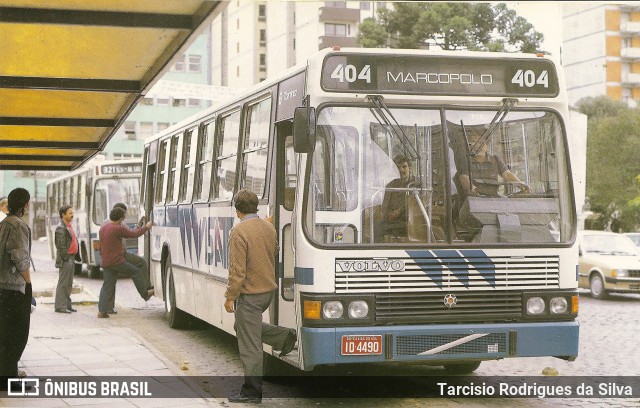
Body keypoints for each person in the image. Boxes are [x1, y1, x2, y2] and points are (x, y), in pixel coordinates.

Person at [224, 189, 297, 404]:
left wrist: (230, 296)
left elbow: (237, 271)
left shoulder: (239, 232)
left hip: (250, 294)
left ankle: (252, 391)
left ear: (237, 210)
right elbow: (273, 252)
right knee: (245, 328)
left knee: (250, 345)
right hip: (268, 292)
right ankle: (284, 337)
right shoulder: (268, 226)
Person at [0, 188, 32, 392]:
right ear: (24, 205)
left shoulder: (3, 223)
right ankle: (8, 380)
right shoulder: (18, 225)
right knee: (17, 335)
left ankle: (7, 377)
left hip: (2, 286)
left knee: (5, 334)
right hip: (14, 287)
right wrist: (28, 283)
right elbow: (20, 258)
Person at [97, 207, 153, 318]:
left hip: (106, 261)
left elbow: (100, 245)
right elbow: (133, 235)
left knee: (107, 285)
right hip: (117, 261)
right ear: (121, 218)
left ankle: (102, 311)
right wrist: (146, 227)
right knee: (135, 271)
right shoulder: (118, 228)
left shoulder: (103, 228)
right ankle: (145, 294)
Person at [458, 130, 530, 198]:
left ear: (487, 145)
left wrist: (521, 185)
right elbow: (464, 178)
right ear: (469, 146)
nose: (477, 146)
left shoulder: (495, 160)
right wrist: (472, 191)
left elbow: (507, 174)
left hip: (494, 200)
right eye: (473, 143)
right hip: (473, 201)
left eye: (480, 143)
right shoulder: (465, 161)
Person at [378, 154, 416, 241]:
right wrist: (389, 214)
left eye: (404, 167)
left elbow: (414, 204)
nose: (401, 170)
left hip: (407, 220)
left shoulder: (416, 184)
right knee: (377, 228)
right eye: (398, 167)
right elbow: (385, 205)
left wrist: (398, 212)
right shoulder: (391, 185)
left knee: (382, 229)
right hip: (391, 221)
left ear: (409, 168)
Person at [54, 205, 78, 313]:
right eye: (70, 213)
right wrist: (66, 258)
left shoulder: (68, 226)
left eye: (72, 213)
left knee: (69, 283)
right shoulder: (61, 228)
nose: (72, 215)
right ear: (63, 215)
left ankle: (67, 305)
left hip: (71, 258)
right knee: (63, 283)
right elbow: (61, 246)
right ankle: (60, 306)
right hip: (66, 259)